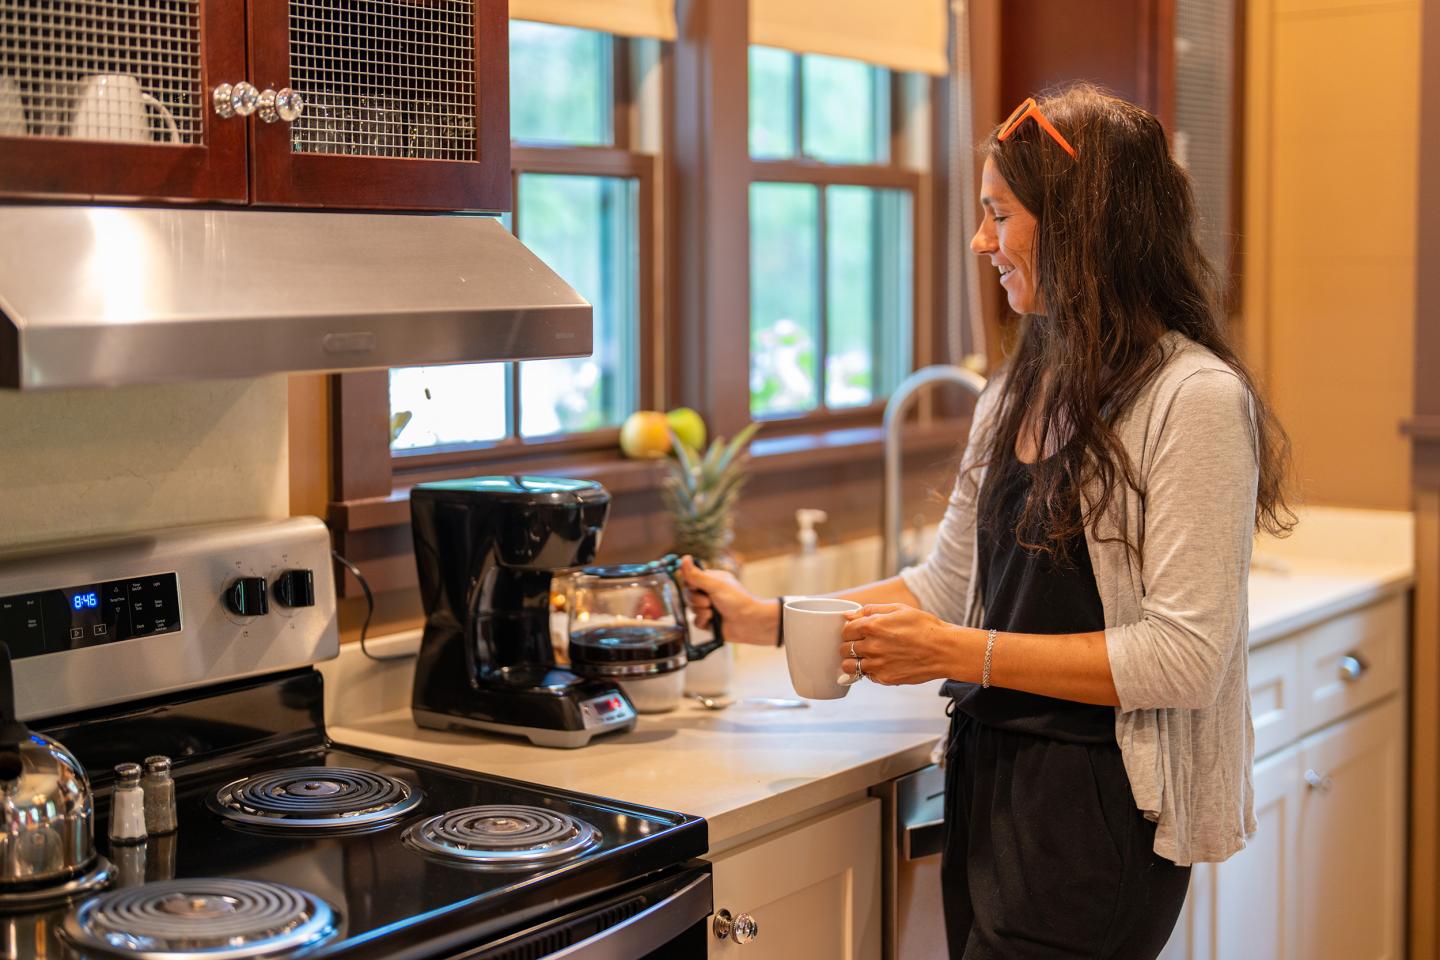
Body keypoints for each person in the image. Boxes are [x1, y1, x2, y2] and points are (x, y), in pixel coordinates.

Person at [680, 83, 1293, 959]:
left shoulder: (1191, 398)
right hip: (990, 781)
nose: (981, 242)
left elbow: (1184, 658)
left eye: (999, 215)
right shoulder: (1017, 389)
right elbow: (950, 585)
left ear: (1080, 224)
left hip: (1100, 811)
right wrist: (765, 620)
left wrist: (956, 653)